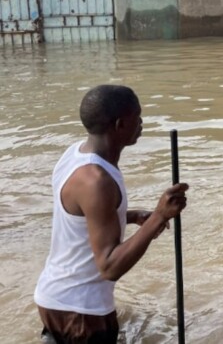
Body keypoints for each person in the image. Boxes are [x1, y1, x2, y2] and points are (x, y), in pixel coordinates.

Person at [34, 85, 188, 343]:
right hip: (81, 311)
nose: (141, 123)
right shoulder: (98, 181)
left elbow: (79, 217)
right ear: (119, 124)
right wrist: (159, 217)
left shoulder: (75, 154)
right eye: (137, 117)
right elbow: (109, 267)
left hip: (56, 298)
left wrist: (131, 215)